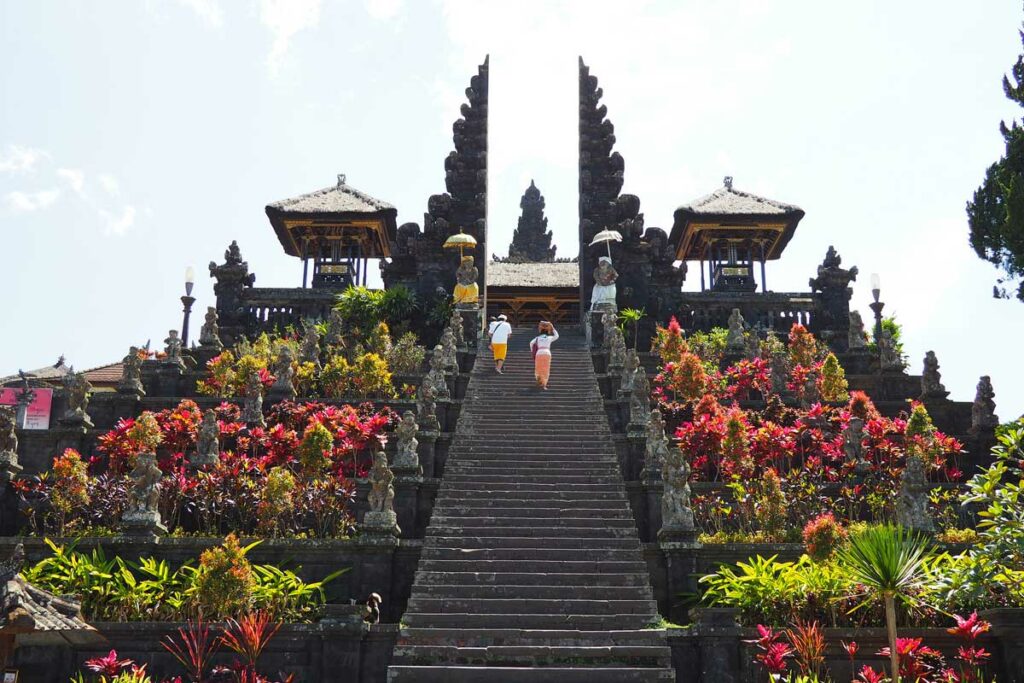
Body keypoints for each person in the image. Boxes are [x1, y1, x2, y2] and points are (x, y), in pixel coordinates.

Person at [530, 321, 559, 390]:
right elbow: (557, 336)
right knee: (546, 369)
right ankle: (544, 385)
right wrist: (552, 327)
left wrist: (533, 351)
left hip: (539, 352)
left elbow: (531, 343)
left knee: (538, 369)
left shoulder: (537, 338)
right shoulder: (549, 338)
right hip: (547, 352)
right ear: (547, 332)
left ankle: (539, 382)